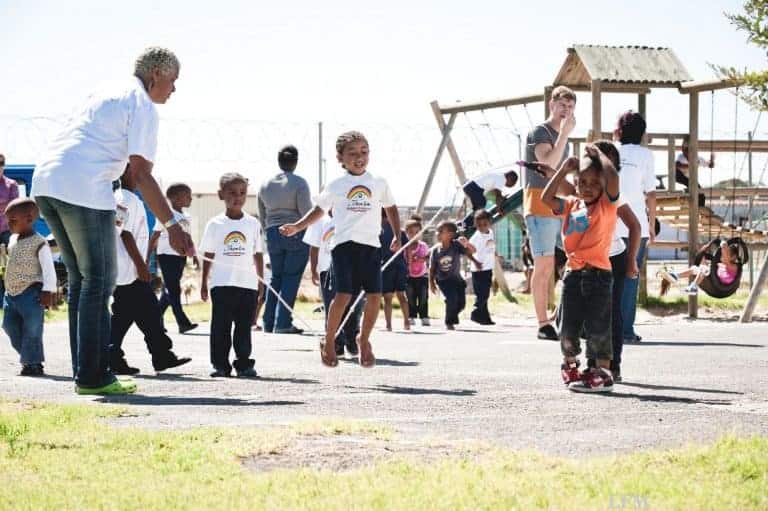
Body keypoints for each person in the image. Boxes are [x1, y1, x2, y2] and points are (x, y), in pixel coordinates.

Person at [31, 47, 191, 395]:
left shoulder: (106, 91)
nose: (174, 90)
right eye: (172, 82)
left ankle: (84, 372)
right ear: (155, 77)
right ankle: (93, 376)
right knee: (100, 281)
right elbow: (141, 174)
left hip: (46, 183)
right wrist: (173, 226)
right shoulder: (143, 104)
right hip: (84, 188)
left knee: (81, 279)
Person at [280, 130, 400, 368]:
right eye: (352, 153)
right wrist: (297, 226)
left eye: (364, 152)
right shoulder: (336, 185)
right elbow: (319, 210)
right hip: (344, 247)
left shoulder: (379, 183)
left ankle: (363, 340)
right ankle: (329, 338)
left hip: (371, 247)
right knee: (343, 295)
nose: (359, 157)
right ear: (340, 158)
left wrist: (397, 234)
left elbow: (391, 208)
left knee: (374, 296)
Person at [541, 144, 620, 393]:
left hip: (599, 276)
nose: (588, 188)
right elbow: (545, 198)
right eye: (583, 182)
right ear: (576, 183)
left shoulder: (607, 205)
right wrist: (563, 169)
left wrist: (598, 155)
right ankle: (571, 365)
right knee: (567, 326)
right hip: (573, 275)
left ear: (604, 185)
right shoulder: (572, 204)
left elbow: (614, 177)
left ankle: (603, 373)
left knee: (599, 327)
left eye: (595, 183)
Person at [109, 170, 191, 375]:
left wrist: (142, 262)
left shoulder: (129, 198)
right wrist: (140, 265)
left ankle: (152, 355)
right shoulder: (123, 198)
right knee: (147, 313)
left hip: (130, 270)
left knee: (129, 316)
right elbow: (123, 233)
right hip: (128, 271)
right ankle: (159, 355)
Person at [200, 173, 264, 378]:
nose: (238, 197)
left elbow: (257, 254)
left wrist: (260, 281)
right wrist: (204, 282)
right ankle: (220, 365)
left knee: (244, 327)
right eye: (232, 193)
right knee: (221, 327)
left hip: (247, 285)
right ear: (221, 195)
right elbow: (208, 254)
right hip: (222, 284)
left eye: (242, 193)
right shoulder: (215, 224)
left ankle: (244, 364)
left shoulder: (252, 224)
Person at [525, 85, 577, 341]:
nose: (565, 111)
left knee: (577, 258)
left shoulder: (561, 136)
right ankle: (543, 323)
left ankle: (561, 313)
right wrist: (564, 136)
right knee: (544, 264)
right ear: (552, 105)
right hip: (538, 204)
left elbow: (561, 174)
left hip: (561, 204)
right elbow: (548, 164)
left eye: (570, 107)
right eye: (562, 106)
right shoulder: (540, 132)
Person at [258, 145, 312, 335]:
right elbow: (306, 212)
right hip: (294, 230)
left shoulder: (265, 183)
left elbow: (262, 212)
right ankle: (283, 322)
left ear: (278, 160)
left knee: (276, 277)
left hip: (272, 231)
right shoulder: (299, 183)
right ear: (295, 161)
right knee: (291, 277)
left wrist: (269, 230)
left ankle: (269, 321)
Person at [614, 111, 656, 344]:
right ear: (642, 133)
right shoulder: (646, 155)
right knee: (631, 277)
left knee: (609, 276)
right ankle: (626, 330)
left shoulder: (609, 149)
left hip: (611, 222)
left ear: (619, 130)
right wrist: (651, 225)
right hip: (636, 224)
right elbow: (651, 193)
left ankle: (605, 327)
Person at [2, 198, 56, 376]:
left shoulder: (39, 243)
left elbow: (48, 268)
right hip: (11, 293)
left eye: (13, 220)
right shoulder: (12, 239)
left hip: (31, 293)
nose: (9, 224)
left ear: (30, 218)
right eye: (7, 220)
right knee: (9, 326)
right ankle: (30, 359)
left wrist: (48, 290)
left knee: (32, 330)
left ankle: (33, 364)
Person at [304, 211, 361, 357]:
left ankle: (351, 338)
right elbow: (314, 246)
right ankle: (336, 342)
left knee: (351, 306)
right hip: (327, 270)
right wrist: (314, 268)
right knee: (331, 306)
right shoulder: (319, 220)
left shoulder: (352, 217)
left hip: (350, 269)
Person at [149, 182, 198, 334]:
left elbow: (188, 236)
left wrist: (193, 255)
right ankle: (182, 323)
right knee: (174, 290)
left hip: (180, 256)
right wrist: (147, 256)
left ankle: (153, 321)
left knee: (168, 292)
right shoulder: (166, 215)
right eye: (187, 196)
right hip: (166, 255)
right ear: (176, 198)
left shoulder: (186, 217)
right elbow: (155, 235)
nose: (191, 198)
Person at [429, 221, 478, 330]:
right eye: (437, 231)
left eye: (441, 231)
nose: (437, 234)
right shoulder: (435, 251)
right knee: (452, 298)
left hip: (457, 280)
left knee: (461, 304)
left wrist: (466, 243)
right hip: (443, 280)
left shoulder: (456, 245)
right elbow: (431, 269)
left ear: (451, 235)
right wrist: (431, 283)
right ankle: (449, 322)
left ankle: (452, 312)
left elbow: (472, 251)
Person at [659, 238, 740, 296]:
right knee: (695, 268)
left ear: (734, 257)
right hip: (713, 280)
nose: (722, 255)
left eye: (726, 253)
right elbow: (707, 264)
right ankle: (676, 276)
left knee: (703, 268)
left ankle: (693, 287)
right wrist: (703, 253)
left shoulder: (734, 266)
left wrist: (722, 243)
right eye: (722, 254)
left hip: (723, 285)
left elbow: (724, 248)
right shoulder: (720, 264)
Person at [380, 209, 410, 331]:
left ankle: (389, 325)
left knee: (387, 298)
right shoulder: (400, 232)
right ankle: (407, 322)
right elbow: (407, 249)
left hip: (386, 267)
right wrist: (408, 265)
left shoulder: (378, 231)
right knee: (402, 295)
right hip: (400, 265)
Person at [468, 210, 498, 325]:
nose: (482, 227)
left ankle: (485, 318)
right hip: (479, 269)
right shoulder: (476, 237)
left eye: (485, 224)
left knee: (485, 294)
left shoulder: (490, 232)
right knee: (482, 294)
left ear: (489, 223)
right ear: (476, 224)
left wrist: (496, 255)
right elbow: (470, 251)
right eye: (479, 225)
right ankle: (475, 312)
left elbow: (491, 246)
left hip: (488, 267)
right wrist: (475, 262)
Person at [0, 153, 20, 302]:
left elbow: (14, 208)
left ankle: (10, 298)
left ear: (4, 166)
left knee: (10, 266)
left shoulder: (11, 184)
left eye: (1, 164)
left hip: (7, 231)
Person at [404, 216, 430, 326]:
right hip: (409, 276)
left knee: (423, 297)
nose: (413, 235)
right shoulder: (405, 247)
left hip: (422, 275)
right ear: (406, 233)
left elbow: (428, 257)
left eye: (416, 232)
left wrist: (422, 259)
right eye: (410, 232)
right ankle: (411, 316)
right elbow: (405, 260)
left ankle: (424, 316)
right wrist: (409, 254)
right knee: (410, 297)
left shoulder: (423, 245)